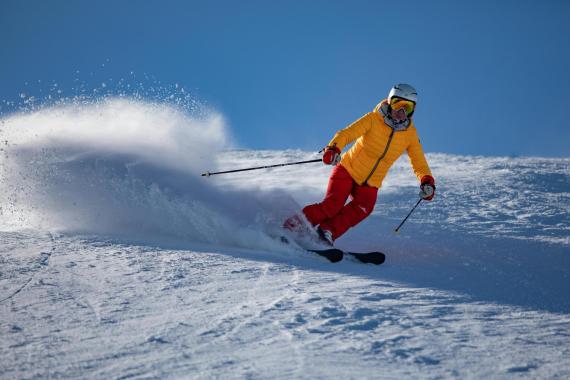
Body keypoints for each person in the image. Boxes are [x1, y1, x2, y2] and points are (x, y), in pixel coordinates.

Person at [284, 84, 435, 246]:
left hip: (371, 183)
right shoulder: (373, 119)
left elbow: (419, 161)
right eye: (398, 104)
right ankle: (293, 226)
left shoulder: (410, 135)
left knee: (364, 208)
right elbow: (347, 133)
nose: (402, 112)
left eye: (408, 107)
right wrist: (334, 148)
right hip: (348, 170)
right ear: (390, 102)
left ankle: (327, 232)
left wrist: (427, 181)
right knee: (332, 205)